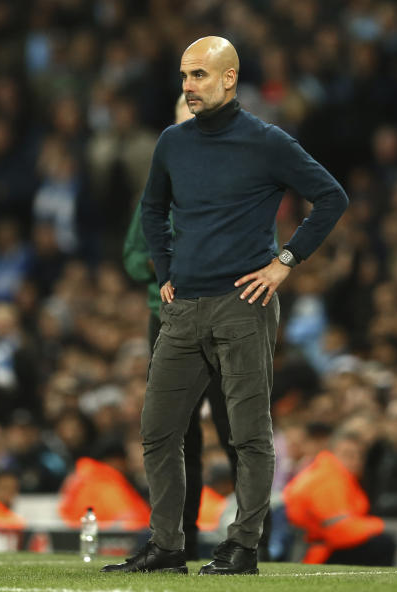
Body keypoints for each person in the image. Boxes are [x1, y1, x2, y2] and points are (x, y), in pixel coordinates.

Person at [102, 37, 348, 576]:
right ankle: (167, 546)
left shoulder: (268, 142)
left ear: (230, 78)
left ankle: (243, 546)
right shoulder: (172, 142)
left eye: (199, 76)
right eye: (184, 76)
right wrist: (165, 273)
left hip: (244, 304)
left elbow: (332, 197)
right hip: (183, 309)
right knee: (159, 430)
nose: (188, 86)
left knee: (247, 433)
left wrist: (285, 261)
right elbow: (151, 211)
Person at [121, 93, 238, 560]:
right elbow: (133, 257)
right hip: (166, 317)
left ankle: (252, 537)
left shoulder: (237, 182)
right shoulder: (159, 187)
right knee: (175, 429)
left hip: (223, 314)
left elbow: (260, 246)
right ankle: (177, 536)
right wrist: (161, 264)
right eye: (181, 117)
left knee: (238, 427)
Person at [283, 430, 397, 565]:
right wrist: (376, 526)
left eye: (359, 456)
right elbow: (338, 530)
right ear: (332, 453)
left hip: (320, 546)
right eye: (348, 455)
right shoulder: (329, 480)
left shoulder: (330, 474)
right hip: (317, 553)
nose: (355, 461)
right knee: (384, 543)